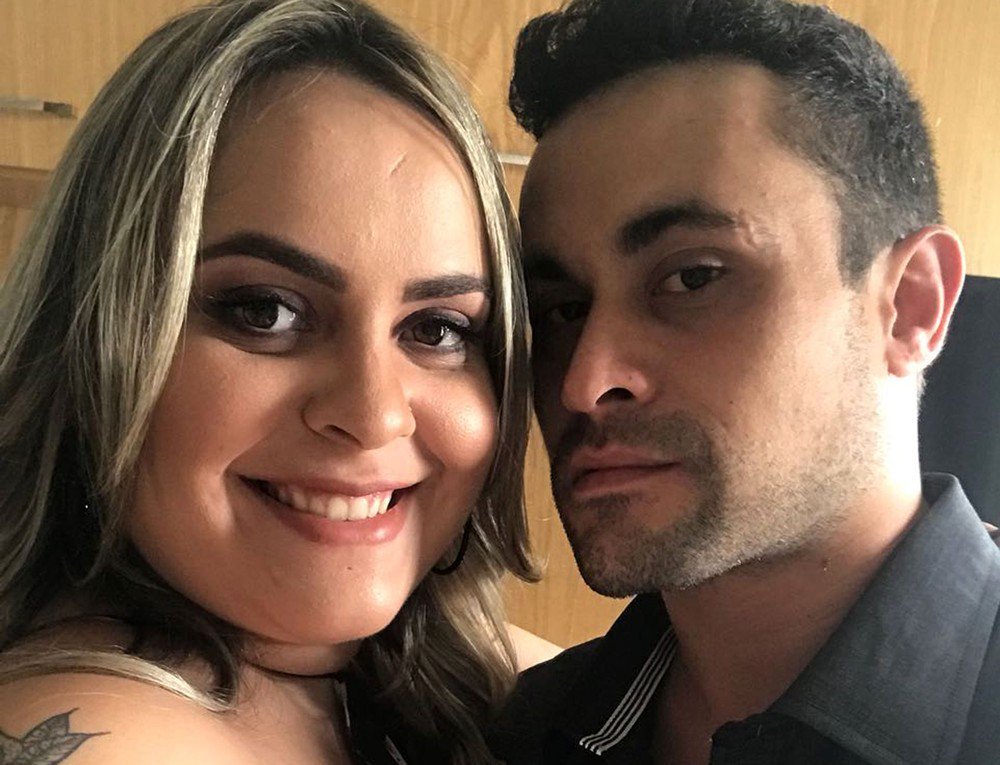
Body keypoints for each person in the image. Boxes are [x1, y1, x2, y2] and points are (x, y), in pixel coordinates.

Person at [0, 1, 549, 762]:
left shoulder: (460, 669)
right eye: (265, 311)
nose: (374, 414)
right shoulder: (103, 735)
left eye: (437, 329)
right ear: (89, 335)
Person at [490, 0, 1000, 763]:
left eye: (694, 277)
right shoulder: (522, 732)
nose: (584, 382)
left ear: (911, 305)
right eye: (561, 308)